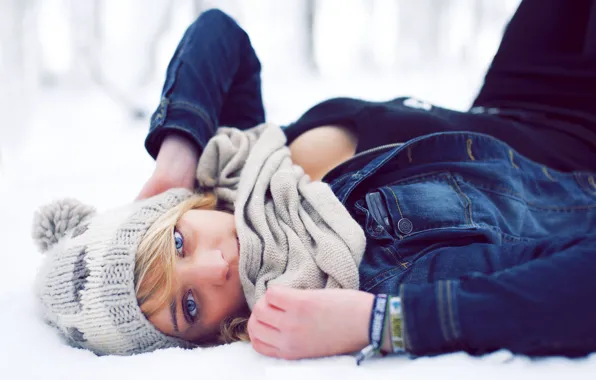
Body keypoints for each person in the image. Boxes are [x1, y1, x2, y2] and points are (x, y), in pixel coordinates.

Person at [33, 0, 596, 362]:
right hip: (581, 157)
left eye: (178, 242)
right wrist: (384, 323)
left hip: (519, 96)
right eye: (189, 305)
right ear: (206, 335)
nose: (214, 266)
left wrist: (175, 156)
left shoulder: (243, 169)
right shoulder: (353, 273)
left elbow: (218, 33)